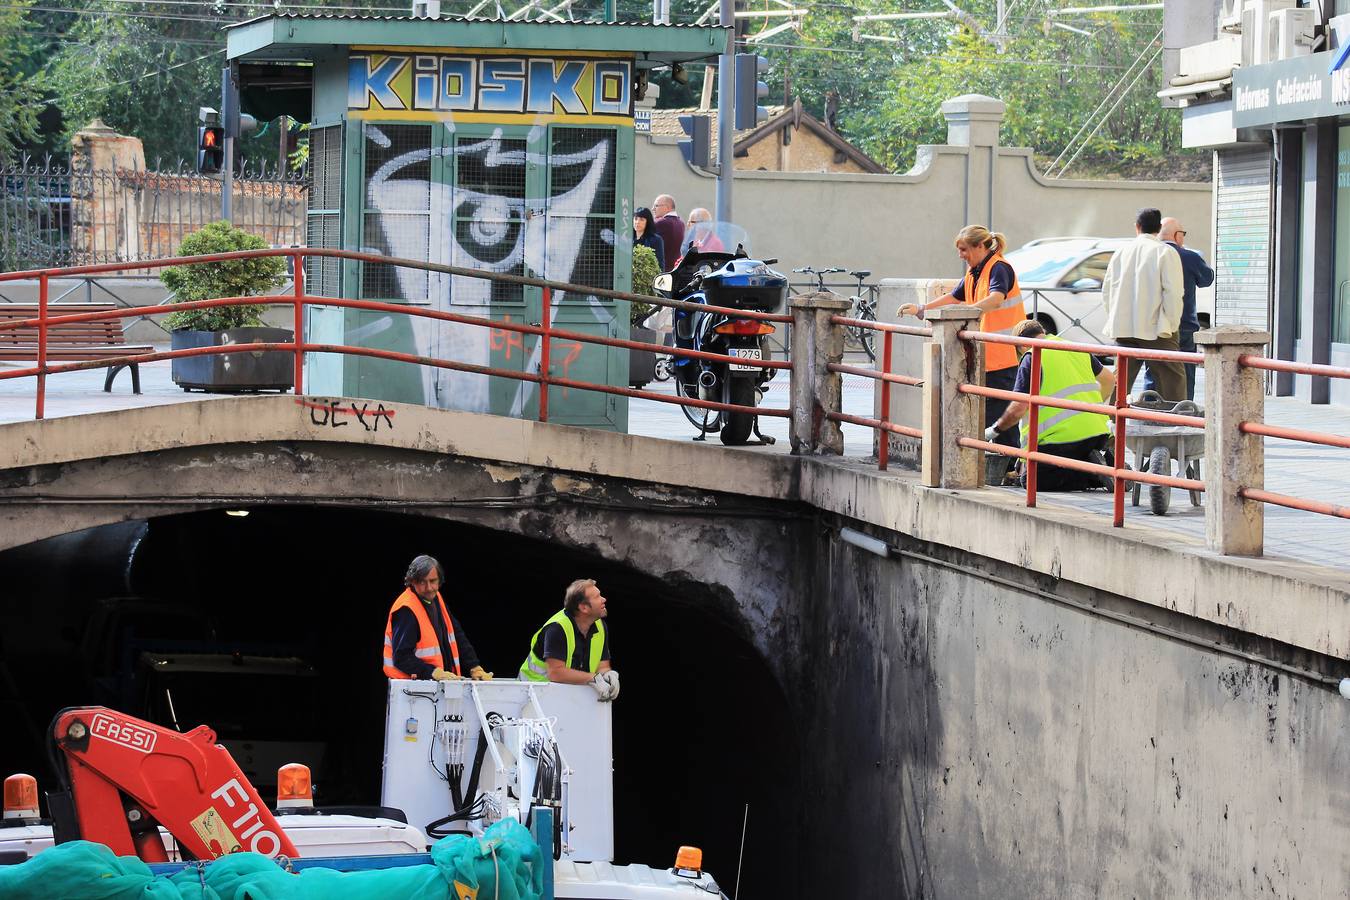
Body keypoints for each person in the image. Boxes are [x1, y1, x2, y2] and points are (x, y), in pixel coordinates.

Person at [897, 224, 1026, 447]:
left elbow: (996, 298)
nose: (961, 255)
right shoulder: (976, 271)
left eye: (964, 249)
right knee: (993, 416)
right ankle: (1002, 463)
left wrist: (969, 311)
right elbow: (955, 297)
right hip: (988, 355)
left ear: (980, 247)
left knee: (1000, 418)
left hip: (1004, 357)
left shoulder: (999, 268)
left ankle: (1007, 463)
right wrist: (921, 309)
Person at [987, 319, 1116, 491]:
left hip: (1059, 440)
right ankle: (1104, 466)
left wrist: (994, 430)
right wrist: (1091, 406)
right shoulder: (1073, 347)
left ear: (1021, 345)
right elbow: (1109, 379)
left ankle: (1092, 475)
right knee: (1061, 463)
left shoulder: (1033, 355)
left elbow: (1018, 407)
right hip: (1096, 435)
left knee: (1031, 481)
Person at [1101, 207, 1186, 401]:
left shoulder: (1121, 251)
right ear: (1158, 228)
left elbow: (1107, 290)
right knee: (1172, 378)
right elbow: (1173, 292)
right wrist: (1171, 324)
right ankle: (1175, 422)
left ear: (1137, 227)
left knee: (1120, 379)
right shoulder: (1164, 252)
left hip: (1123, 327)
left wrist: (1114, 317)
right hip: (1156, 327)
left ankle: (1108, 419)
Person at [383, 555, 492, 681]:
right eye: (422, 582)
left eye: (433, 581)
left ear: (439, 580)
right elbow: (401, 657)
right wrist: (433, 672)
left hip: (438, 687)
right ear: (412, 582)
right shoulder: (406, 609)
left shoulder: (436, 598)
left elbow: (456, 634)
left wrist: (474, 666)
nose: (429, 588)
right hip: (412, 691)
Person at [1144, 217, 1214, 400]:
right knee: (1185, 370)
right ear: (1177, 235)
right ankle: (1183, 410)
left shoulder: (1149, 255)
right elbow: (1207, 279)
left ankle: (1151, 410)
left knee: (1154, 370)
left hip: (1153, 323)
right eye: (1182, 233)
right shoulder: (1189, 257)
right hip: (1183, 324)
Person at [519, 578, 619, 701]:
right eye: (598, 597)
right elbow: (556, 673)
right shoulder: (557, 628)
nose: (604, 599)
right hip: (532, 695)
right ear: (584, 608)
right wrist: (592, 678)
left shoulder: (600, 626)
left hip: (566, 697)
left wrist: (608, 675)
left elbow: (602, 666)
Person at [650, 194, 685, 270]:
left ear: (667, 207)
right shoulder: (681, 223)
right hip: (675, 269)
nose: (653, 209)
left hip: (661, 271)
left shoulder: (661, 223)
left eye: (656, 206)